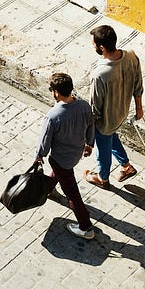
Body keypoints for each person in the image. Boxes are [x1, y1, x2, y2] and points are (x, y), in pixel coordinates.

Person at [34, 72, 97, 239]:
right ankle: (48, 190)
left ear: (56, 92)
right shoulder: (84, 106)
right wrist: (90, 143)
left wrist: (39, 156)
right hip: (76, 153)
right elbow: (91, 126)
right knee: (61, 174)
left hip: (60, 159)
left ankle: (86, 227)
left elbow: (45, 141)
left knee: (72, 195)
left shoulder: (53, 116)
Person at [85, 24, 144, 188]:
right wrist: (139, 109)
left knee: (103, 148)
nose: (93, 46)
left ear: (102, 48)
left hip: (106, 121)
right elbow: (138, 84)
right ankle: (126, 166)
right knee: (111, 137)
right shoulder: (131, 56)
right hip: (121, 112)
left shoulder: (99, 75)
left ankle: (102, 178)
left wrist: (89, 137)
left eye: (94, 44)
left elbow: (95, 109)